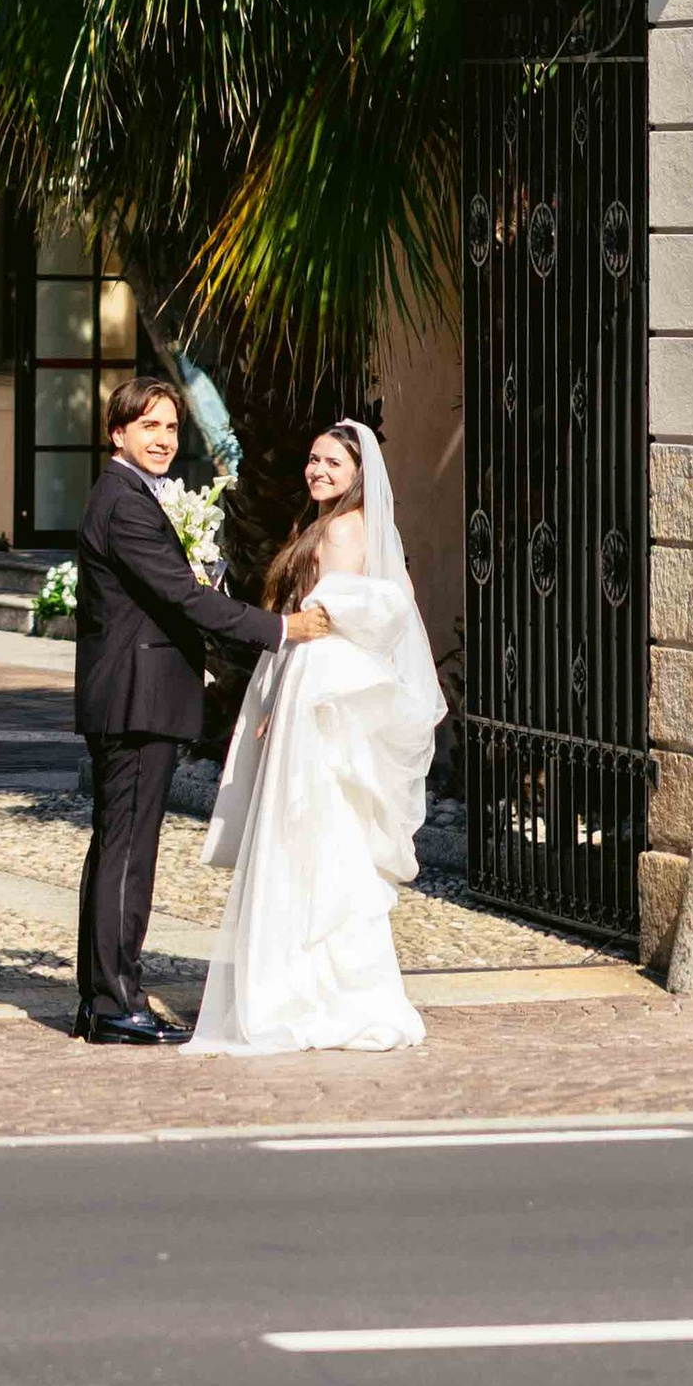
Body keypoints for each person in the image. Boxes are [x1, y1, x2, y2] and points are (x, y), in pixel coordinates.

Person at [71, 372, 332, 1046]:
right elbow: (183, 599)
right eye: (149, 425)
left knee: (115, 849)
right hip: (136, 699)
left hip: (131, 695)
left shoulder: (125, 494)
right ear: (118, 432)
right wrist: (281, 630)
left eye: (170, 426)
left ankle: (103, 995)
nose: (163, 438)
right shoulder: (125, 502)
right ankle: (114, 999)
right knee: (127, 853)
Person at [188, 417, 445, 1055]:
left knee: (306, 824)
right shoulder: (337, 528)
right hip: (311, 678)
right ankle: (322, 984)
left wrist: (295, 679)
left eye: (333, 463)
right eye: (313, 460)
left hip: (318, 682)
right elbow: (387, 599)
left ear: (360, 475)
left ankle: (302, 988)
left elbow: (359, 610)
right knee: (319, 827)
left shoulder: (346, 529)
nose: (318, 471)